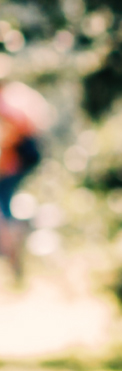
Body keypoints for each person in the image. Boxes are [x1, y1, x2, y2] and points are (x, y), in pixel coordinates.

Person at [0, 81, 48, 292]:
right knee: (5, 208)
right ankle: (14, 256)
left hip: (16, 160)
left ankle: (12, 254)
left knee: (4, 210)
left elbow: (11, 134)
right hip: (22, 158)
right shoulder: (15, 94)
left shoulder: (7, 103)